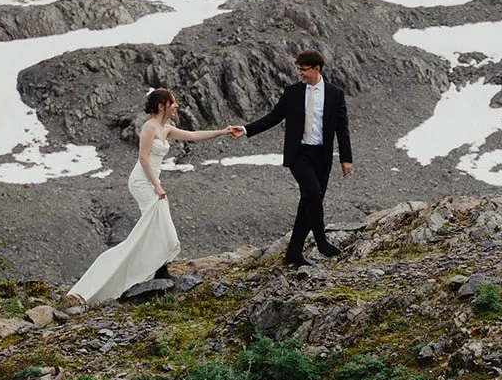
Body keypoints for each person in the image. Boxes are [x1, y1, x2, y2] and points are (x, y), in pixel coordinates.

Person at [67, 88, 236, 304]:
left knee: (159, 229)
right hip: (142, 182)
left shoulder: (166, 128)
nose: (176, 106)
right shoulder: (149, 127)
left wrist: (223, 131)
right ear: (161, 106)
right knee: (159, 226)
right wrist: (157, 186)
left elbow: (193, 136)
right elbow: (144, 159)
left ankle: (157, 269)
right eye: (172, 102)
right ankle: (153, 272)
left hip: (152, 182)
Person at [229, 51, 354, 267]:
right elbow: (274, 117)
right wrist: (246, 129)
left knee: (308, 203)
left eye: (303, 69)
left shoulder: (335, 94)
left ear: (317, 69)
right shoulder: (293, 92)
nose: (299, 73)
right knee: (313, 195)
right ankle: (322, 242)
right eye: (298, 69)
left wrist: (346, 158)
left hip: (322, 156)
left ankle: (294, 252)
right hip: (299, 154)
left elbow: (342, 128)